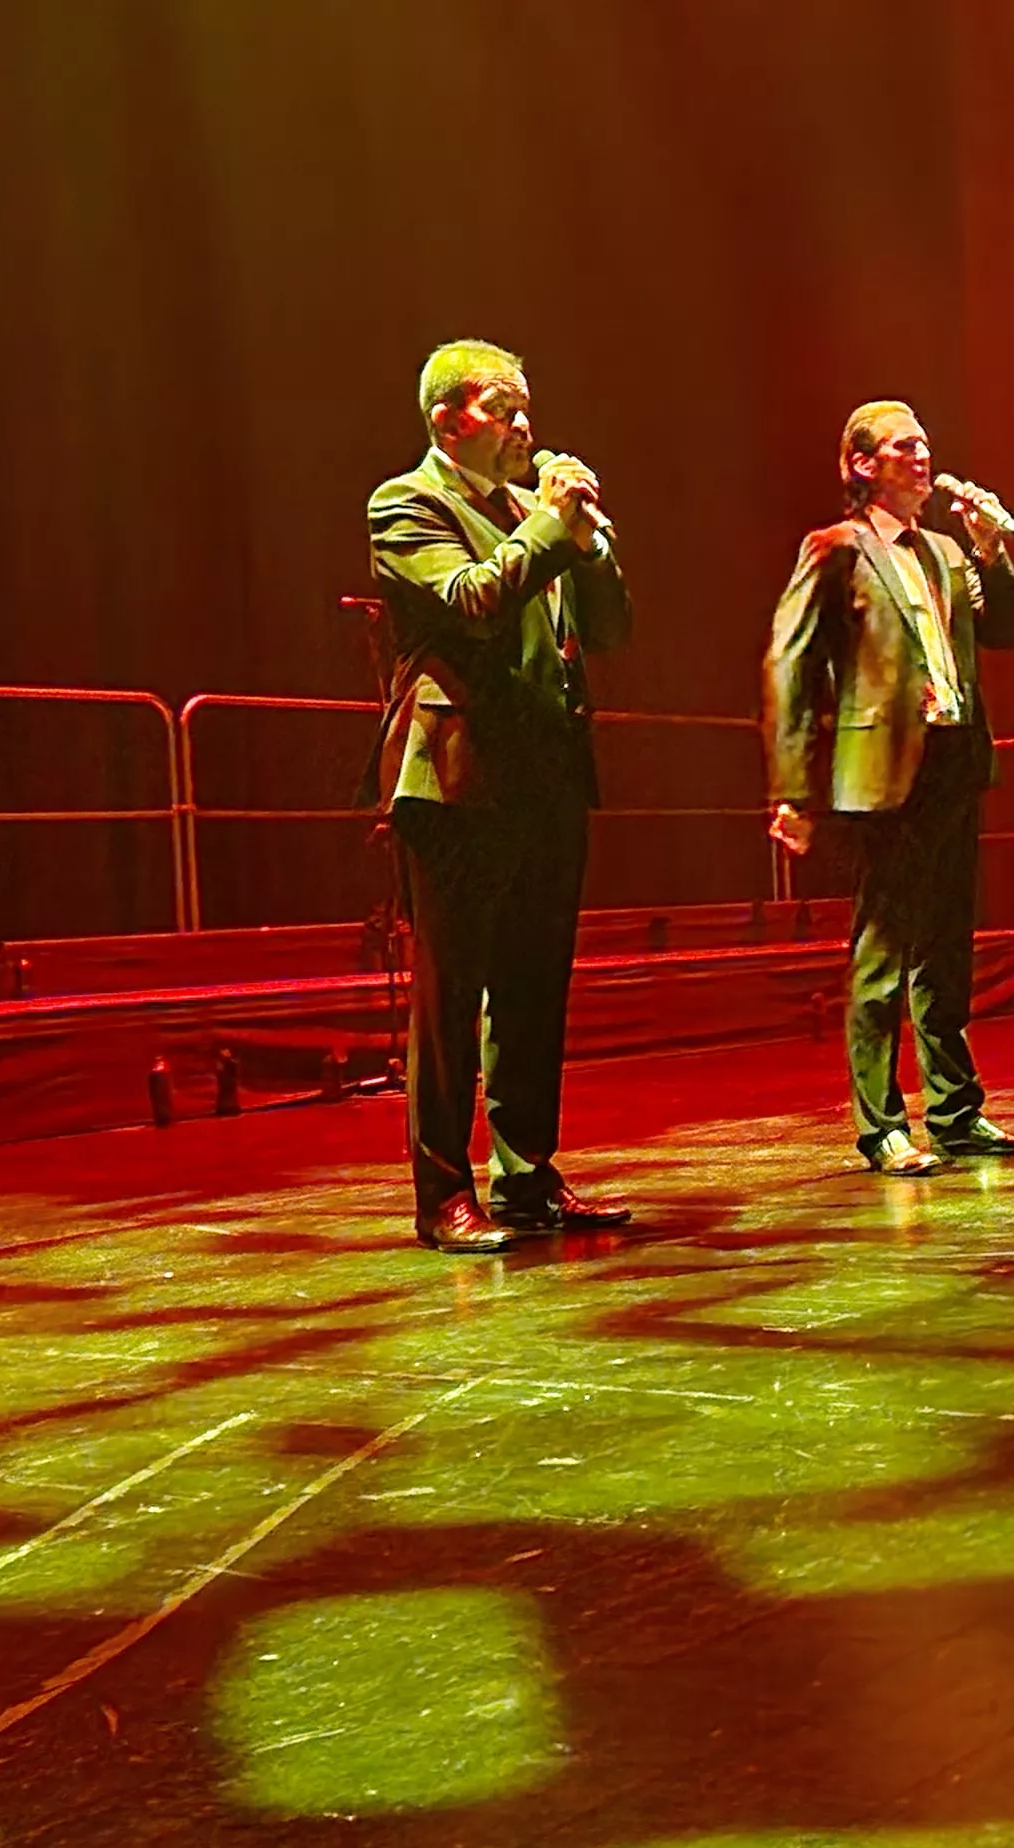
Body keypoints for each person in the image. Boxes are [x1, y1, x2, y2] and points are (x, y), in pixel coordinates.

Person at [365, 340, 634, 1252]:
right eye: (504, 410)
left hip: (547, 774)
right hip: (456, 775)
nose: (526, 427)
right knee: (450, 996)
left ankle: (528, 1177)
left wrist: (589, 541)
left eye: (528, 409)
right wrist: (550, 529)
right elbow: (474, 598)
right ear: (449, 422)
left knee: (534, 986)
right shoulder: (407, 505)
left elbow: (610, 627)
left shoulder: (536, 513)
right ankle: (442, 1194)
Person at [763, 401, 1014, 1177]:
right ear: (862, 465)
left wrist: (992, 552)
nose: (923, 456)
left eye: (926, 443)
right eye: (903, 446)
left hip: (954, 759)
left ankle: (956, 1110)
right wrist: (791, 788)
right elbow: (789, 666)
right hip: (884, 772)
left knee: (947, 948)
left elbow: (1005, 630)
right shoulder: (836, 549)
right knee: (883, 949)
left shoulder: (947, 553)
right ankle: (881, 1121)